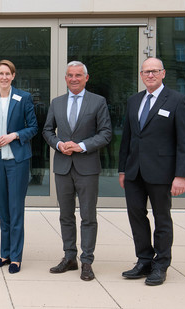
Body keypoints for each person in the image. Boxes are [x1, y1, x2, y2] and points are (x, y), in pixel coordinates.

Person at [118, 57, 185, 286]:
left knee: (162, 219)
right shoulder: (134, 101)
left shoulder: (178, 101)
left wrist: (181, 175)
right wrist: (122, 170)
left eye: (154, 71)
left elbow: (184, 142)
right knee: (136, 217)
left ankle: (161, 264)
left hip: (162, 172)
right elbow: (127, 139)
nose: (150, 75)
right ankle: (144, 260)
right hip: (134, 173)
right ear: (141, 75)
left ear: (163, 73)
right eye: (146, 71)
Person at [43, 61, 112, 281]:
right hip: (63, 167)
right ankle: (69, 257)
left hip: (87, 167)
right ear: (65, 78)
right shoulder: (57, 102)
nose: (74, 78)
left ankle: (87, 261)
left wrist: (81, 146)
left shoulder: (98, 102)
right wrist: (58, 144)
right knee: (65, 215)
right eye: (70, 75)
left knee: (88, 216)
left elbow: (106, 133)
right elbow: (47, 130)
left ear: (86, 78)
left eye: (78, 75)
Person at [0, 60, 38, 274]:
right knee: (2, 209)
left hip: (17, 160)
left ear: (13, 76)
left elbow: (33, 127)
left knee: (15, 209)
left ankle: (16, 257)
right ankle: (4, 254)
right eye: (0, 73)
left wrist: (15, 135)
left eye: (8, 73)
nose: (4, 77)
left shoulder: (23, 97)